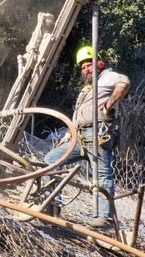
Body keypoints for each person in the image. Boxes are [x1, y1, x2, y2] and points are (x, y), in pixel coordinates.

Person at [44, 45, 130, 228]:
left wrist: (110, 104)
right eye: (82, 67)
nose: (86, 69)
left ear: (98, 63)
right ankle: (52, 205)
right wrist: (69, 134)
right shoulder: (86, 90)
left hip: (98, 134)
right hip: (79, 137)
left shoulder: (107, 76)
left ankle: (104, 218)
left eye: (88, 65)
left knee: (101, 175)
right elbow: (79, 115)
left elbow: (124, 81)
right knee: (50, 159)